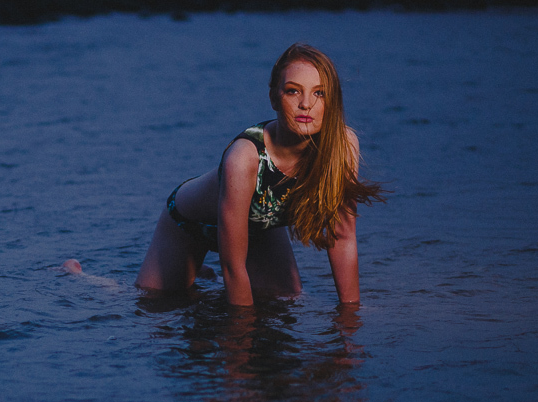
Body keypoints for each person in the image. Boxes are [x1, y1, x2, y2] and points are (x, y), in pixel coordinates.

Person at [134, 43, 383, 306]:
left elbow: (342, 237)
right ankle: (85, 277)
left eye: (319, 93)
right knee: (153, 302)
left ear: (332, 100)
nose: (306, 104)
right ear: (274, 98)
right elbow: (233, 268)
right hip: (188, 223)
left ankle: (206, 277)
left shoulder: (343, 147)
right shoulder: (244, 158)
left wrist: (350, 319)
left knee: (287, 299)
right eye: (293, 91)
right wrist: (241, 339)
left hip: (257, 227)